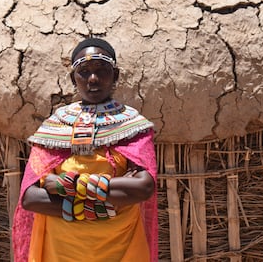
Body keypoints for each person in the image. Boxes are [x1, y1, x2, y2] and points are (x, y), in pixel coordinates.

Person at [12, 38, 158, 261]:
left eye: (102, 70)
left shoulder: (132, 126)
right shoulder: (54, 128)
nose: (93, 78)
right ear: (73, 78)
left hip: (120, 245)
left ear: (115, 75)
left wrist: (63, 185)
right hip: (62, 248)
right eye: (84, 71)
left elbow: (144, 187)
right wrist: (104, 205)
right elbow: (30, 197)